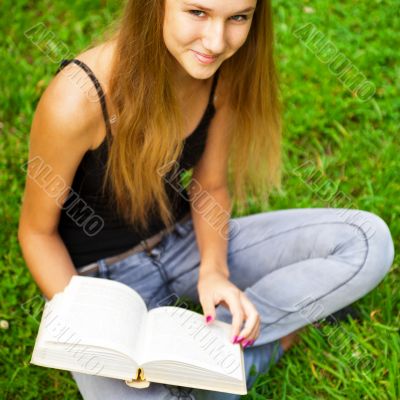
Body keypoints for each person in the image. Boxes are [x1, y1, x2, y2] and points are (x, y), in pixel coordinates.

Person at [18, 0, 395, 399]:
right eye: (197, 12)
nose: (216, 42)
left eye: (238, 18)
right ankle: (250, 355)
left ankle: (215, 357)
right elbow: (37, 234)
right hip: (99, 279)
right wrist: (89, 326)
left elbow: (209, 186)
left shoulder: (220, 72)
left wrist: (214, 271)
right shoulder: (78, 97)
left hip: (185, 242)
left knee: (366, 241)